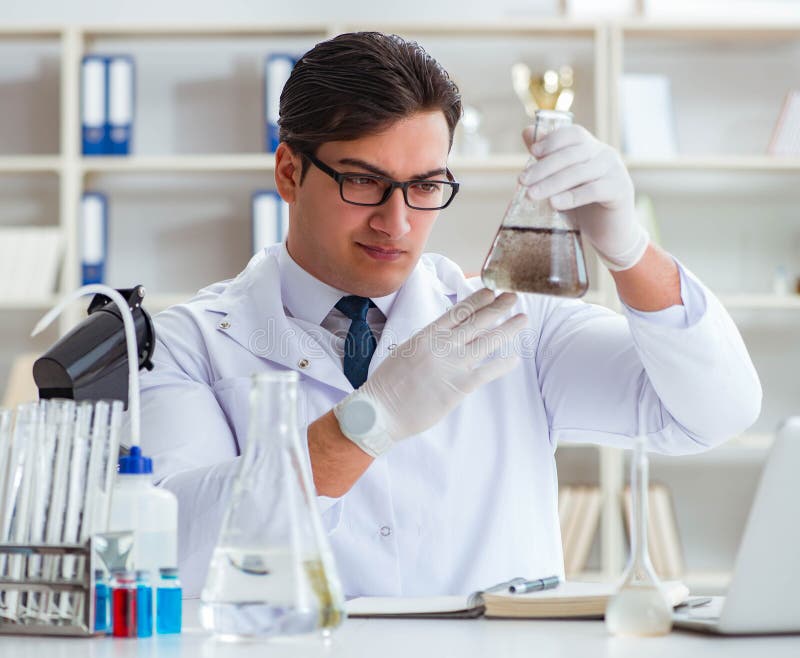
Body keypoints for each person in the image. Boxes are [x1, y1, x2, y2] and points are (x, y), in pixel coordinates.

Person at [134, 32, 761, 597]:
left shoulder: (516, 324)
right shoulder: (187, 343)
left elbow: (712, 413)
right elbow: (172, 550)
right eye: (363, 182)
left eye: (426, 187)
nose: (397, 221)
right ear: (289, 171)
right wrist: (367, 422)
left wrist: (630, 251)